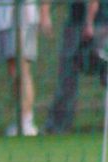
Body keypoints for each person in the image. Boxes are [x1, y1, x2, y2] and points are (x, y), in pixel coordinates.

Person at [0, 0, 52, 136]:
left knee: (22, 68)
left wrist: (44, 14)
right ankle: (20, 118)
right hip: (2, 19)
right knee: (13, 70)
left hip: (23, 18)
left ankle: (26, 120)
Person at [44, 2, 102, 132]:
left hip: (98, 24)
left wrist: (89, 21)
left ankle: (57, 126)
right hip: (76, 22)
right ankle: (58, 126)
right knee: (67, 75)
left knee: (69, 74)